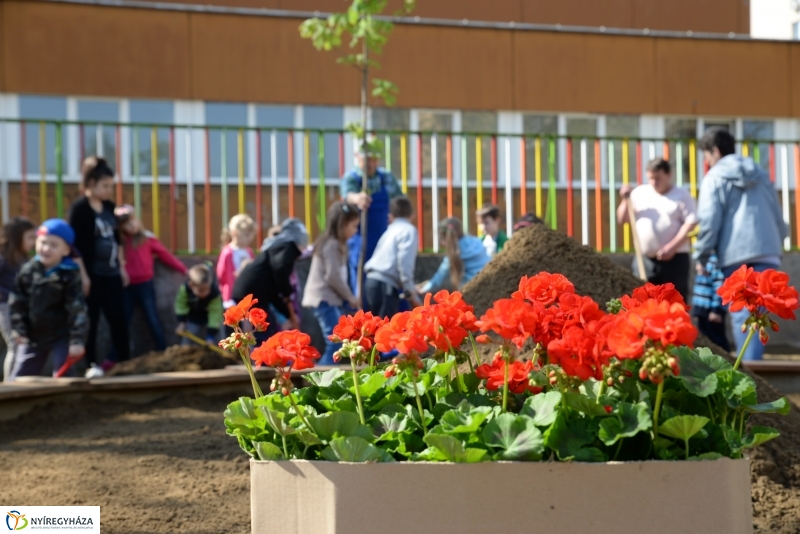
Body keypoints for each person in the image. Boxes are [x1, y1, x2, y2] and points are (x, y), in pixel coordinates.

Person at [694, 127, 787, 361]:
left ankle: (750, 380)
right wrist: (778, 241)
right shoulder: (761, 173)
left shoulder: (714, 176)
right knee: (761, 312)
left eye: (706, 157)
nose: (707, 162)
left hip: (735, 254)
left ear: (714, 151)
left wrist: (702, 255)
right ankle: (755, 373)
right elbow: (778, 216)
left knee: (743, 314)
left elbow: (709, 220)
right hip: (768, 251)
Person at [69, 156, 130, 377]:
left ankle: (125, 362)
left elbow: (117, 238)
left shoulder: (108, 206)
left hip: (112, 273)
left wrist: (121, 267)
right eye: (105, 186)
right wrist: (83, 276)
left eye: (110, 186)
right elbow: (74, 246)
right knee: (91, 320)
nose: (108, 191)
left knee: (118, 319)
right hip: (92, 275)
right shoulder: (80, 209)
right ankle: (91, 365)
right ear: (91, 183)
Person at [8, 219, 88, 380]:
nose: (46, 248)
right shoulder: (27, 271)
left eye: (53, 245)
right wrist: (19, 329)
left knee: (64, 376)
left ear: (66, 250)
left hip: (62, 336)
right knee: (20, 376)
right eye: (43, 242)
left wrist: (77, 340)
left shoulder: (69, 275)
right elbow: (17, 302)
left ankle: (67, 404)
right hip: (33, 336)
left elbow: (77, 309)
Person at [617, 158, 697, 299]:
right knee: (644, 302)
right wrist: (624, 199)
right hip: (645, 261)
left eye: (658, 178)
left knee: (674, 302)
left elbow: (691, 224)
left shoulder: (682, 196)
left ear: (668, 175)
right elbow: (622, 219)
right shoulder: (639, 194)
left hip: (675, 260)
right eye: (651, 178)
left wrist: (671, 248)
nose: (654, 182)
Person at [115, 205, 188, 351]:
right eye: (127, 224)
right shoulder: (120, 242)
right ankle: (116, 354)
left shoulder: (147, 238)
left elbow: (165, 255)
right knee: (123, 321)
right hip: (127, 286)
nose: (132, 225)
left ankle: (162, 349)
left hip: (145, 285)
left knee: (152, 318)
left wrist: (183, 269)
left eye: (133, 221)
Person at [302, 202, 361, 364]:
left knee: (336, 341)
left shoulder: (337, 244)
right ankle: (321, 378)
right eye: (354, 226)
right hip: (323, 298)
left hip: (328, 298)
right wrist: (350, 297)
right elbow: (333, 276)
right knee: (335, 342)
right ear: (342, 224)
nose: (355, 231)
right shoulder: (332, 245)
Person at [340, 143, 403, 294]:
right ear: (358, 158)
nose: (371, 164)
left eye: (374, 160)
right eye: (367, 159)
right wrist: (357, 198)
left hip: (384, 237)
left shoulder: (386, 177)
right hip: (360, 239)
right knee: (360, 276)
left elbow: (400, 200)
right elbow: (347, 195)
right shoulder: (352, 178)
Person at [233, 218, 308, 340]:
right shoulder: (288, 247)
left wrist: (288, 313)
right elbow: (280, 271)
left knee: (265, 330)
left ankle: (259, 356)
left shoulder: (278, 247)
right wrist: (287, 293)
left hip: (251, 290)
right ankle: (261, 357)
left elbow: (273, 289)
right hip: (252, 292)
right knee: (263, 331)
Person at [364, 196, 420, 317]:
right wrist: (409, 287)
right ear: (412, 214)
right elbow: (405, 260)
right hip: (385, 285)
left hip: (371, 281)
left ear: (391, 216)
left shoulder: (390, 230)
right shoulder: (409, 230)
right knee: (383, 328)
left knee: (374, 327)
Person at [0, 217, 36, 381]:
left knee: (22, 345)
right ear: (17, 237)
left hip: (22, 308)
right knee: (15, 345)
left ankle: (18, 380)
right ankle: (10, 384)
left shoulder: (25, 259)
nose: (34, 242)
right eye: (30, 237)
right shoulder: (4, 259)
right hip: (6, 307)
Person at [418, 218, 490, 294]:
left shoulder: (455, 253)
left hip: (472, 289)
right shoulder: (476, 241)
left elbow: (440, 277)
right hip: (488, 282)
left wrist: (423, 289)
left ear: (444, 238)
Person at [174, 263, 223, 346]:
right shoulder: (185, 289)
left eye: (207, 289)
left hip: (212, 318)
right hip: (194, 316)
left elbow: (215, 313)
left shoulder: (214, 294)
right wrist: (181, 322)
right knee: (188, 338)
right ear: (191, 285)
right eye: (201, 290)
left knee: (219, 339)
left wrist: (210, 336)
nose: (205, 293)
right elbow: (181, 304)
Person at [691, 254, 730, 352]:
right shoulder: (702, 260)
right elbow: (700, 286)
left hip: (712, 310)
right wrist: (696, 311)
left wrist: (716, 310)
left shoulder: (715, 261)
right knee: (705, 340)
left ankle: (727, 359)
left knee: (717, 339)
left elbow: (719, 287)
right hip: (702, 309)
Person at [217, 214, 256, 308]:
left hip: (246, 294)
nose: (250, 238)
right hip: (231, 296)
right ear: (235, 233)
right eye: (246, 235)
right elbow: (221, 275)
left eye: (251, 235)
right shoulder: (227, 252)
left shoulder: (249, 251)